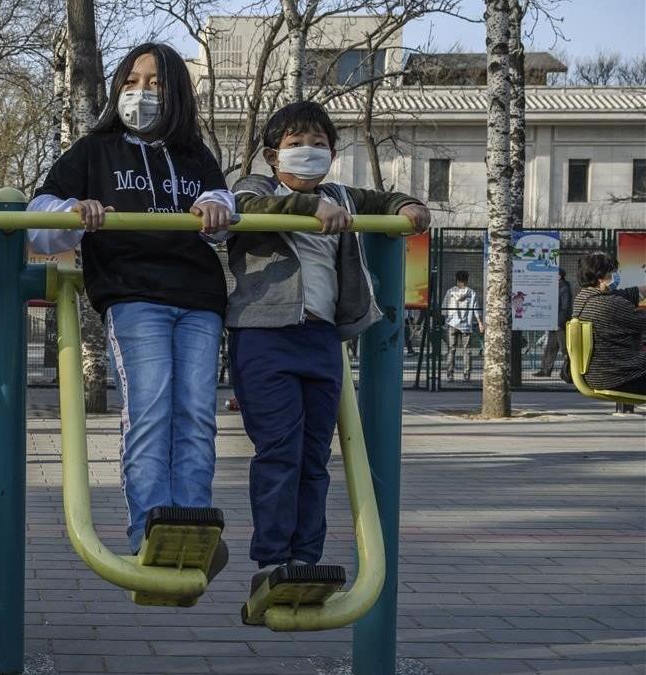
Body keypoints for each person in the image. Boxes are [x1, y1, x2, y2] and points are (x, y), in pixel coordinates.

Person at [26, 42, 234, 570]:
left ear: (178, 96)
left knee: (196, 414)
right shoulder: (96, 151)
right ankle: (149, 526)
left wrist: (216, 205)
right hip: (134, 291)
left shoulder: (194, 154)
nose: (141, 93)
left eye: (157, 84)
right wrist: (74, 210)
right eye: (132, 82)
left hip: (198, 296)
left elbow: (222, 199)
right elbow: (38, 211)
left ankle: (191, 522)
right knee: (151, 408)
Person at [225, 101, 429, 591]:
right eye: (296, 145)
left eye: (318, 144)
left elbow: (382, 201)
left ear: (333, 154)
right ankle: (272, 561)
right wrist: (308, 208)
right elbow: (243, 209)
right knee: (279, 449)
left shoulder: (341, 195)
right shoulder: (258, 189)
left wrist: (407, 207)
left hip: (320, 339)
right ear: (273, 156)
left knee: (314, 455)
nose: (307, 153)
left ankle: (304, 561)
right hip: (264, 335)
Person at [571, 253, 646, 394]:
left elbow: (627, 294)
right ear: (601, 279)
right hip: (623, 377)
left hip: (600, 375)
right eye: (612, 273)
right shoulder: (611, 305)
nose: (616, 276)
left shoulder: (583, 299)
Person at [441, 270, 484, 382]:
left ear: (457, 279)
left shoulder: (450, 292)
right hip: (466, 325)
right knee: (467, 350)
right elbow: (476, 309)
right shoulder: (471, 293)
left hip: (452, 324)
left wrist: (446, 320)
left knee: (451, 349)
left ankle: (450, 374)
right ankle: (466, 374)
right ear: (467, 280)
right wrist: (480, 322)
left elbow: (444, 309)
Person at [535, 268, 573, 377]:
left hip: (560, 323)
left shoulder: (564, 287)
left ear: (559, 276)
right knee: (550, 347)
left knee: (565, 349)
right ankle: (545, 370)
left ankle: (570, 371)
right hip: (553, 321)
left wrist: (561, 321)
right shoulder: (556, 287)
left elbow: (565, 306)